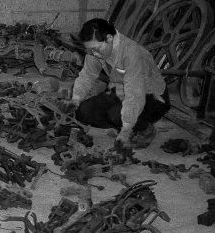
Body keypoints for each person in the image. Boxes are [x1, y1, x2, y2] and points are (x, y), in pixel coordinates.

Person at [69, 17, 169, 149]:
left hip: (153, 97)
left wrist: (126, 128)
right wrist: (75, 99)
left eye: (96, 49)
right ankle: (121, 123)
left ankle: (146, 129)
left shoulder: (131, 53)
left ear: (109, 38)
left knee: (117, 115)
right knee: (83, 112)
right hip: (121, 91)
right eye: (90, 50)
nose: (94, 53)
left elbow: (135, 93)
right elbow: (87, 75)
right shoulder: (95, 49)